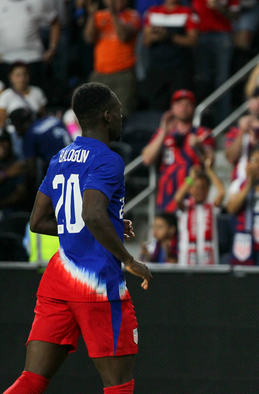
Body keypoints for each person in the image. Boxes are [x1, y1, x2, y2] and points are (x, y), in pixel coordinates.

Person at [2, 82, 152, 393]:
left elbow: (38, 221)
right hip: (98, 283)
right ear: (108, 116)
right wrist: (130, 260)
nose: (122, 119)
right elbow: (92, 214)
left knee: (31, 379)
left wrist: (109, 222)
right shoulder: (109, 159)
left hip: (58, 281)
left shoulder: (61, 157)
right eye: (120, 113)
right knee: (118, 387)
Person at [142, 89, 216, 212]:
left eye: (187, 105)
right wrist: (163, 132)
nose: (183, 108)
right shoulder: (164, 133)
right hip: (167, 195)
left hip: (193, 195)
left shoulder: (202, 133)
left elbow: (211, 162)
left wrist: (200, 147)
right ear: (172, 108)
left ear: (193, 108)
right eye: (179, 104)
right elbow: (147, 159)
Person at [83, 0, 141, 117]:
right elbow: (88, 39)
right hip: (100, 74)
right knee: (94, 115)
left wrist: (113, 14)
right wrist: (91, 15)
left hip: (123, 75)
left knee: (120, 116)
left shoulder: (133, 15)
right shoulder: (99, 15)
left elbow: (123, 36)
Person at [142, 0, 199, 111]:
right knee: (155, 105)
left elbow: (193, 41)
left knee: (180, 107)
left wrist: (169, 36)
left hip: (180, 68)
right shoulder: (152, 11)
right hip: (157, 68)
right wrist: (156, 37)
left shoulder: (188, 12)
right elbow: (146, 41)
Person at [226, 146, 259, 266]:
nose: (257, 164)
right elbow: (231, 209)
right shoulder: (238, 184)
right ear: (248, 163)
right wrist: (249, 184)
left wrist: (257, 184)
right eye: (253, 160)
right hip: (243, 241)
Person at [174, 159, 225, 266]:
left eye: (204, 188)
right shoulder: (186, 206)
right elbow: (177, 198)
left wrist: (209, 170)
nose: (200, 191)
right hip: (186, 259)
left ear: (208, 190)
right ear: (190, 189)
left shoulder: (211, 206)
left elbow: (222, 192)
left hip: (208, 260)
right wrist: (191, 178)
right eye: (196, 187)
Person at [0, 0, 60, 88]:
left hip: (32, 59)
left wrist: (52, 48)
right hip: (6, 60)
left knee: (34, 96)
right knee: (7, 99)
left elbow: (55, 22)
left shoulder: (37, 2)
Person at [0, 63, 47, 128]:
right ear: (11, 76)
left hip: (35, 131)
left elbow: (43, 117)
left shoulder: (37, 92)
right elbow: (1, 123)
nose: (22, 78)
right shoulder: (6, 95)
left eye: (25, 74)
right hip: (14, 134)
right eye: (18, 75)